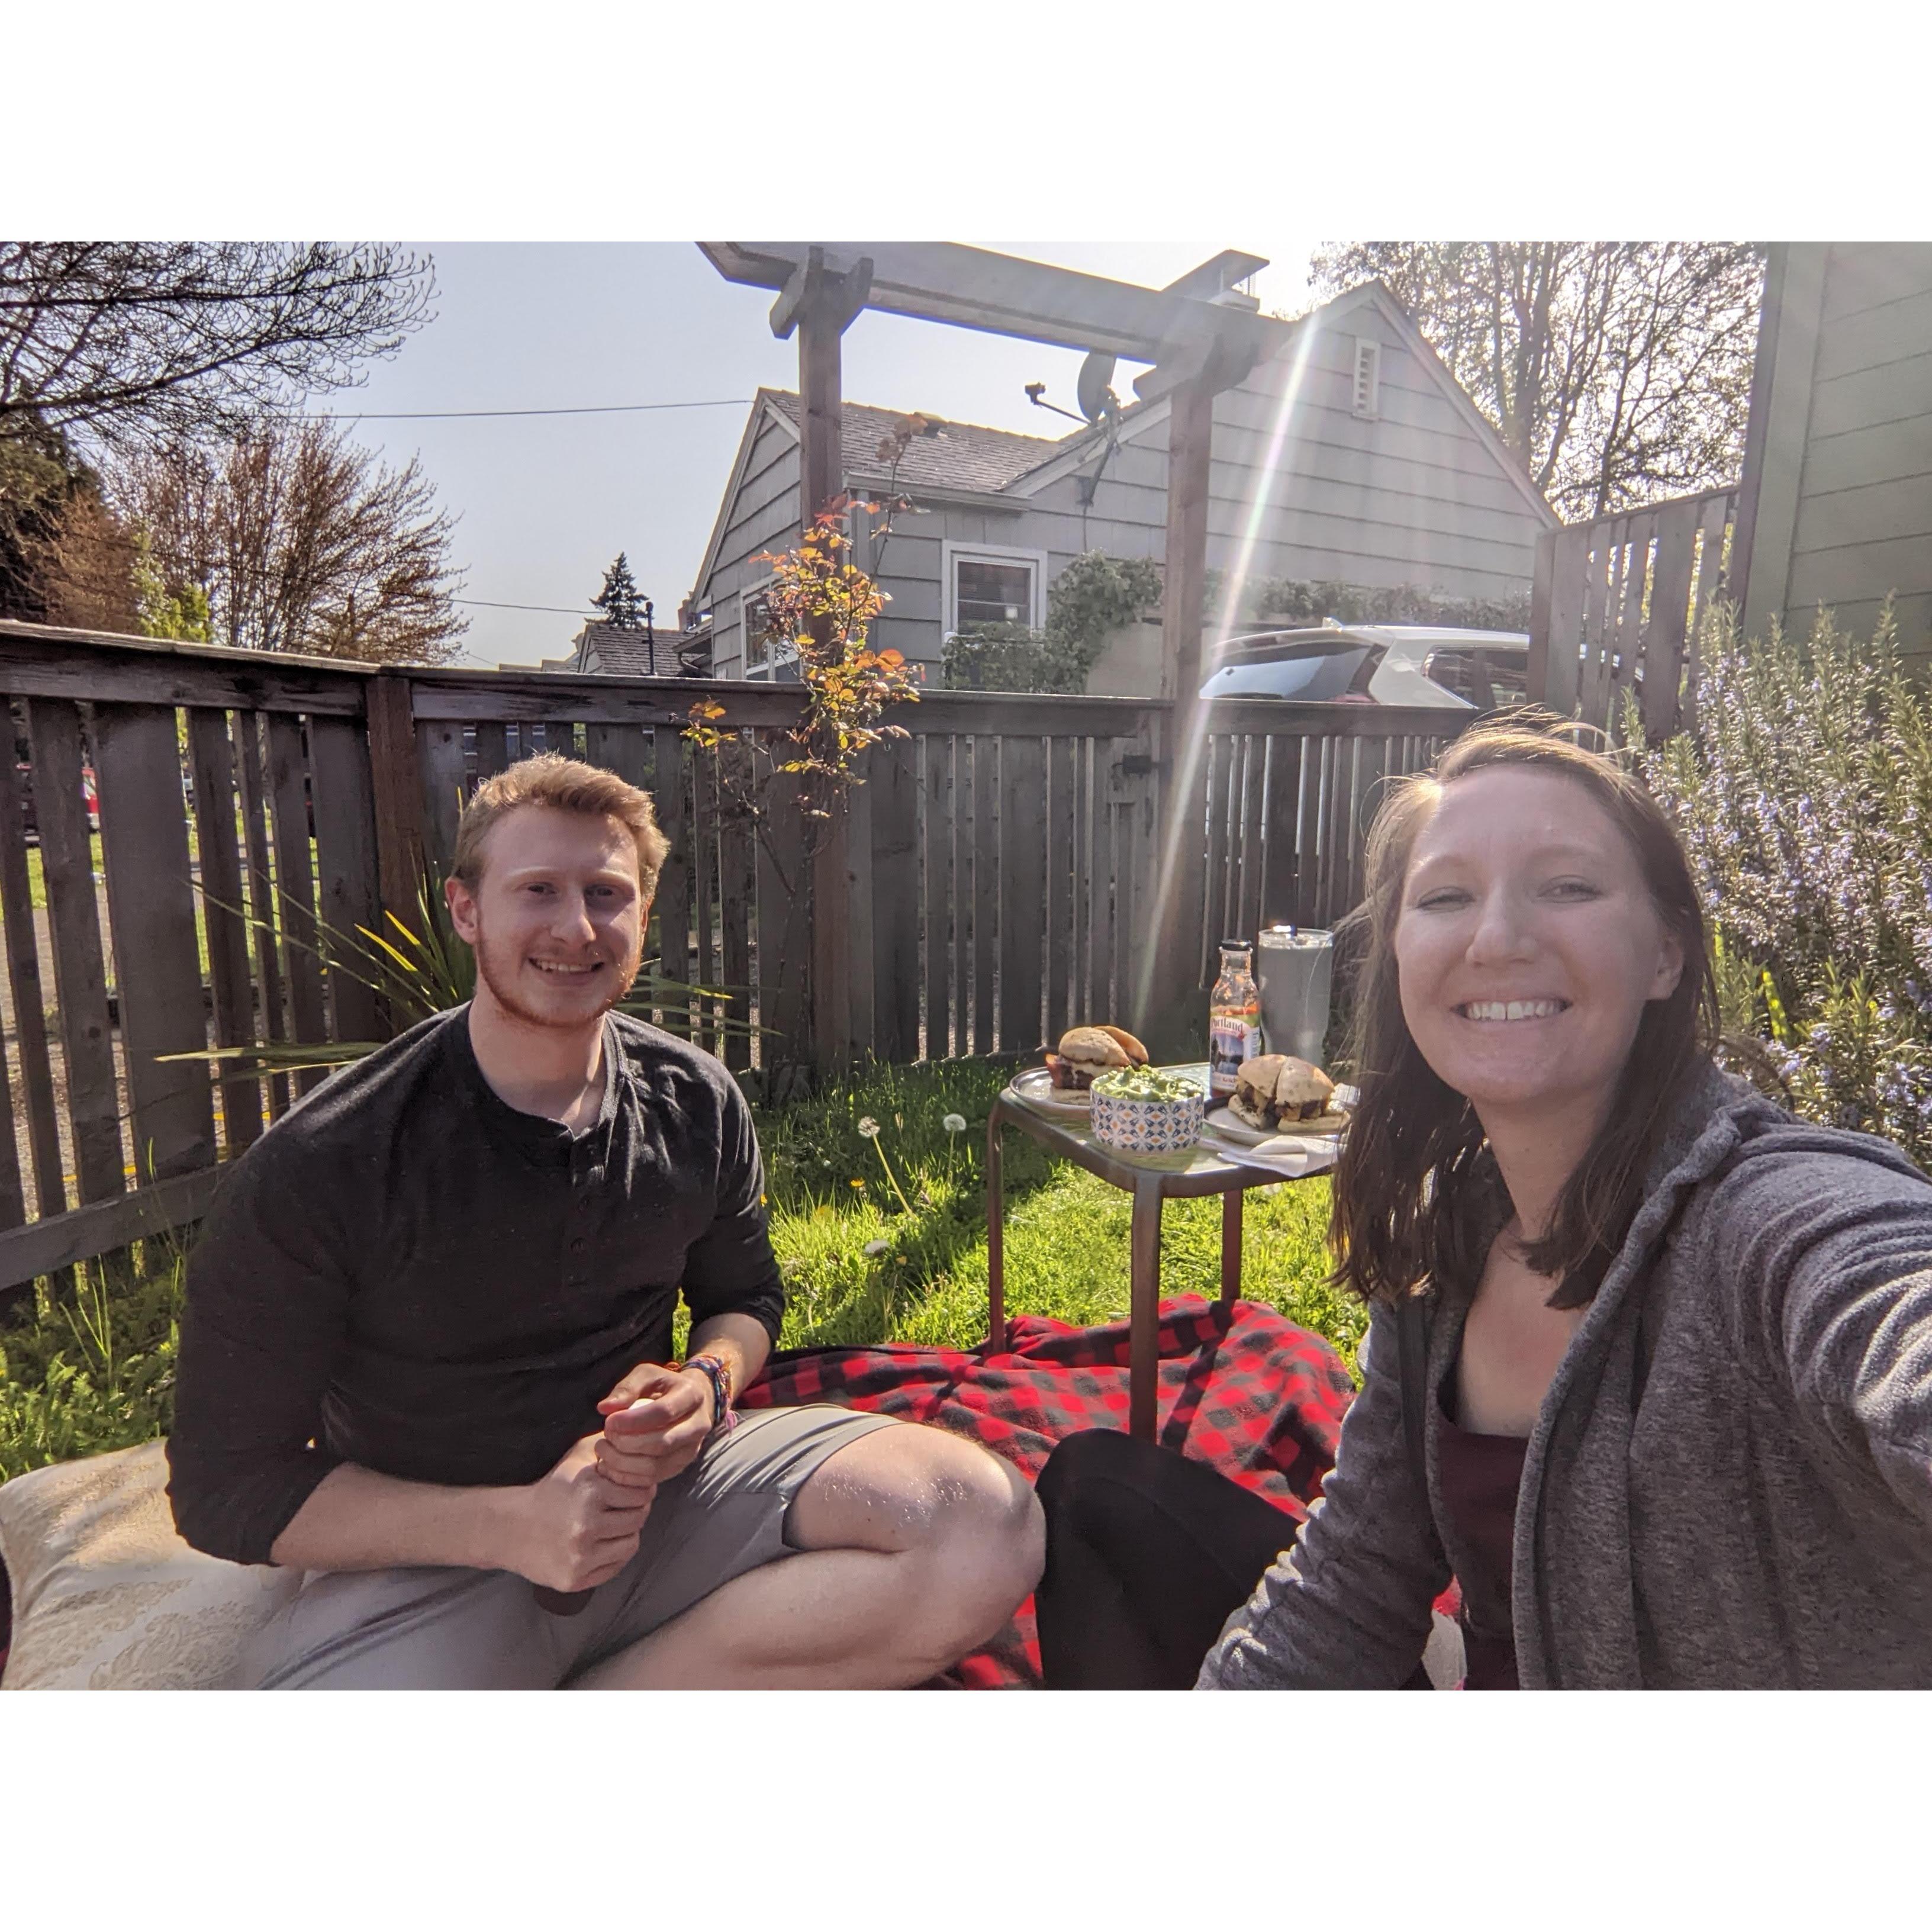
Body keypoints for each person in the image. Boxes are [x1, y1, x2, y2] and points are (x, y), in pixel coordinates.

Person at [1034, 711, 1932, 1689]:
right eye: (1448, 895)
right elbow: (1357, 1578)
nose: (1498, 937)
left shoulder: (1772, 1222)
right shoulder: (1447, 1234)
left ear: (1667, 955)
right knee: (1097, 1494)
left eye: (1568, 887)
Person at [167, 752, 1042, 1689]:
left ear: (644, 914)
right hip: (434, 1549)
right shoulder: (329, 1162)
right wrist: (514, 1526)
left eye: (607, 894)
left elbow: (744, 1297)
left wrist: (706, 1381)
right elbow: (224, 1491)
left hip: (663, 1497)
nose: (577, 928)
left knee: (984, 1525)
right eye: (537, 890)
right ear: (468, 910)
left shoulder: (695, 1099)